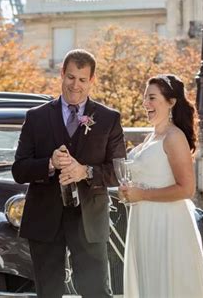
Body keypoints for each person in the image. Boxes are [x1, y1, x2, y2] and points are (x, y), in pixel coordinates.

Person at [12, 49, 126, 298]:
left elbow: (119, 173)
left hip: (90, 220)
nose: (76, 85)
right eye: (71, 77)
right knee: (48, 292)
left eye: (83, 80)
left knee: (95, 291)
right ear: (62, 74)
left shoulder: (108, 119)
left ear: (92, 80)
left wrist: (85, 171)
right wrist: (49, 163)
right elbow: (19, 170)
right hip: (44, 220)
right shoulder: (36, 118)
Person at [119, 74, 203, 298]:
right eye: (145, 98)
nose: (146, 104)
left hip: (166, 224)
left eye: (152, 98)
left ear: (170, 102)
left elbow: (186, 189)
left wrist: (140, 193)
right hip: (144, 222)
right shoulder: (152, 136)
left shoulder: (174, 137)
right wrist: (129, 190)